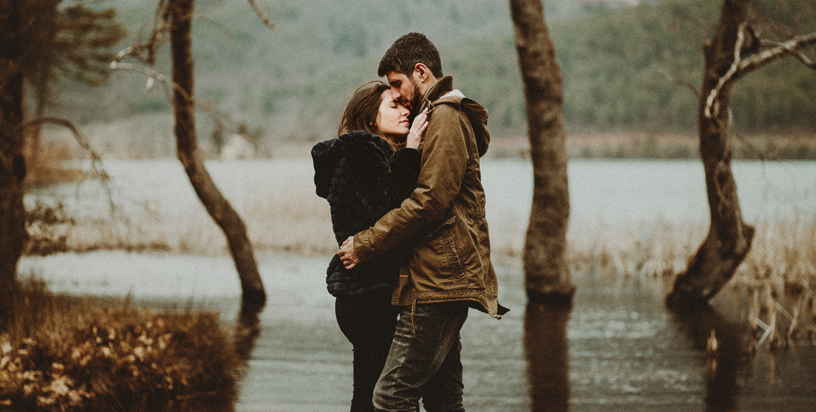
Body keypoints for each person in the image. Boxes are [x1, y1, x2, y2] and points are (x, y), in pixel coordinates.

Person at [337, 33, 508, 411]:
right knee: (444, 399)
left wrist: (364, 243)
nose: (398, 95)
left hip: (437, 282)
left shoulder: (445, 117)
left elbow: (429, 201)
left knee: (390, 397)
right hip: (435, 279)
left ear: (421, 72)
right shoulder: (436, 119)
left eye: (398, 84)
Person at [311, 81, 428, 412]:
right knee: (384, 395)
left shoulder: (371, 153)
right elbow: (390, 214)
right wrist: (411, 151)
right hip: (368, 293)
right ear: (371, 118)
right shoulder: (365, 152)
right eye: (394, 106)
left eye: (406, 106)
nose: (405, 111)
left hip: (362, 292)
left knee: (370, 390)